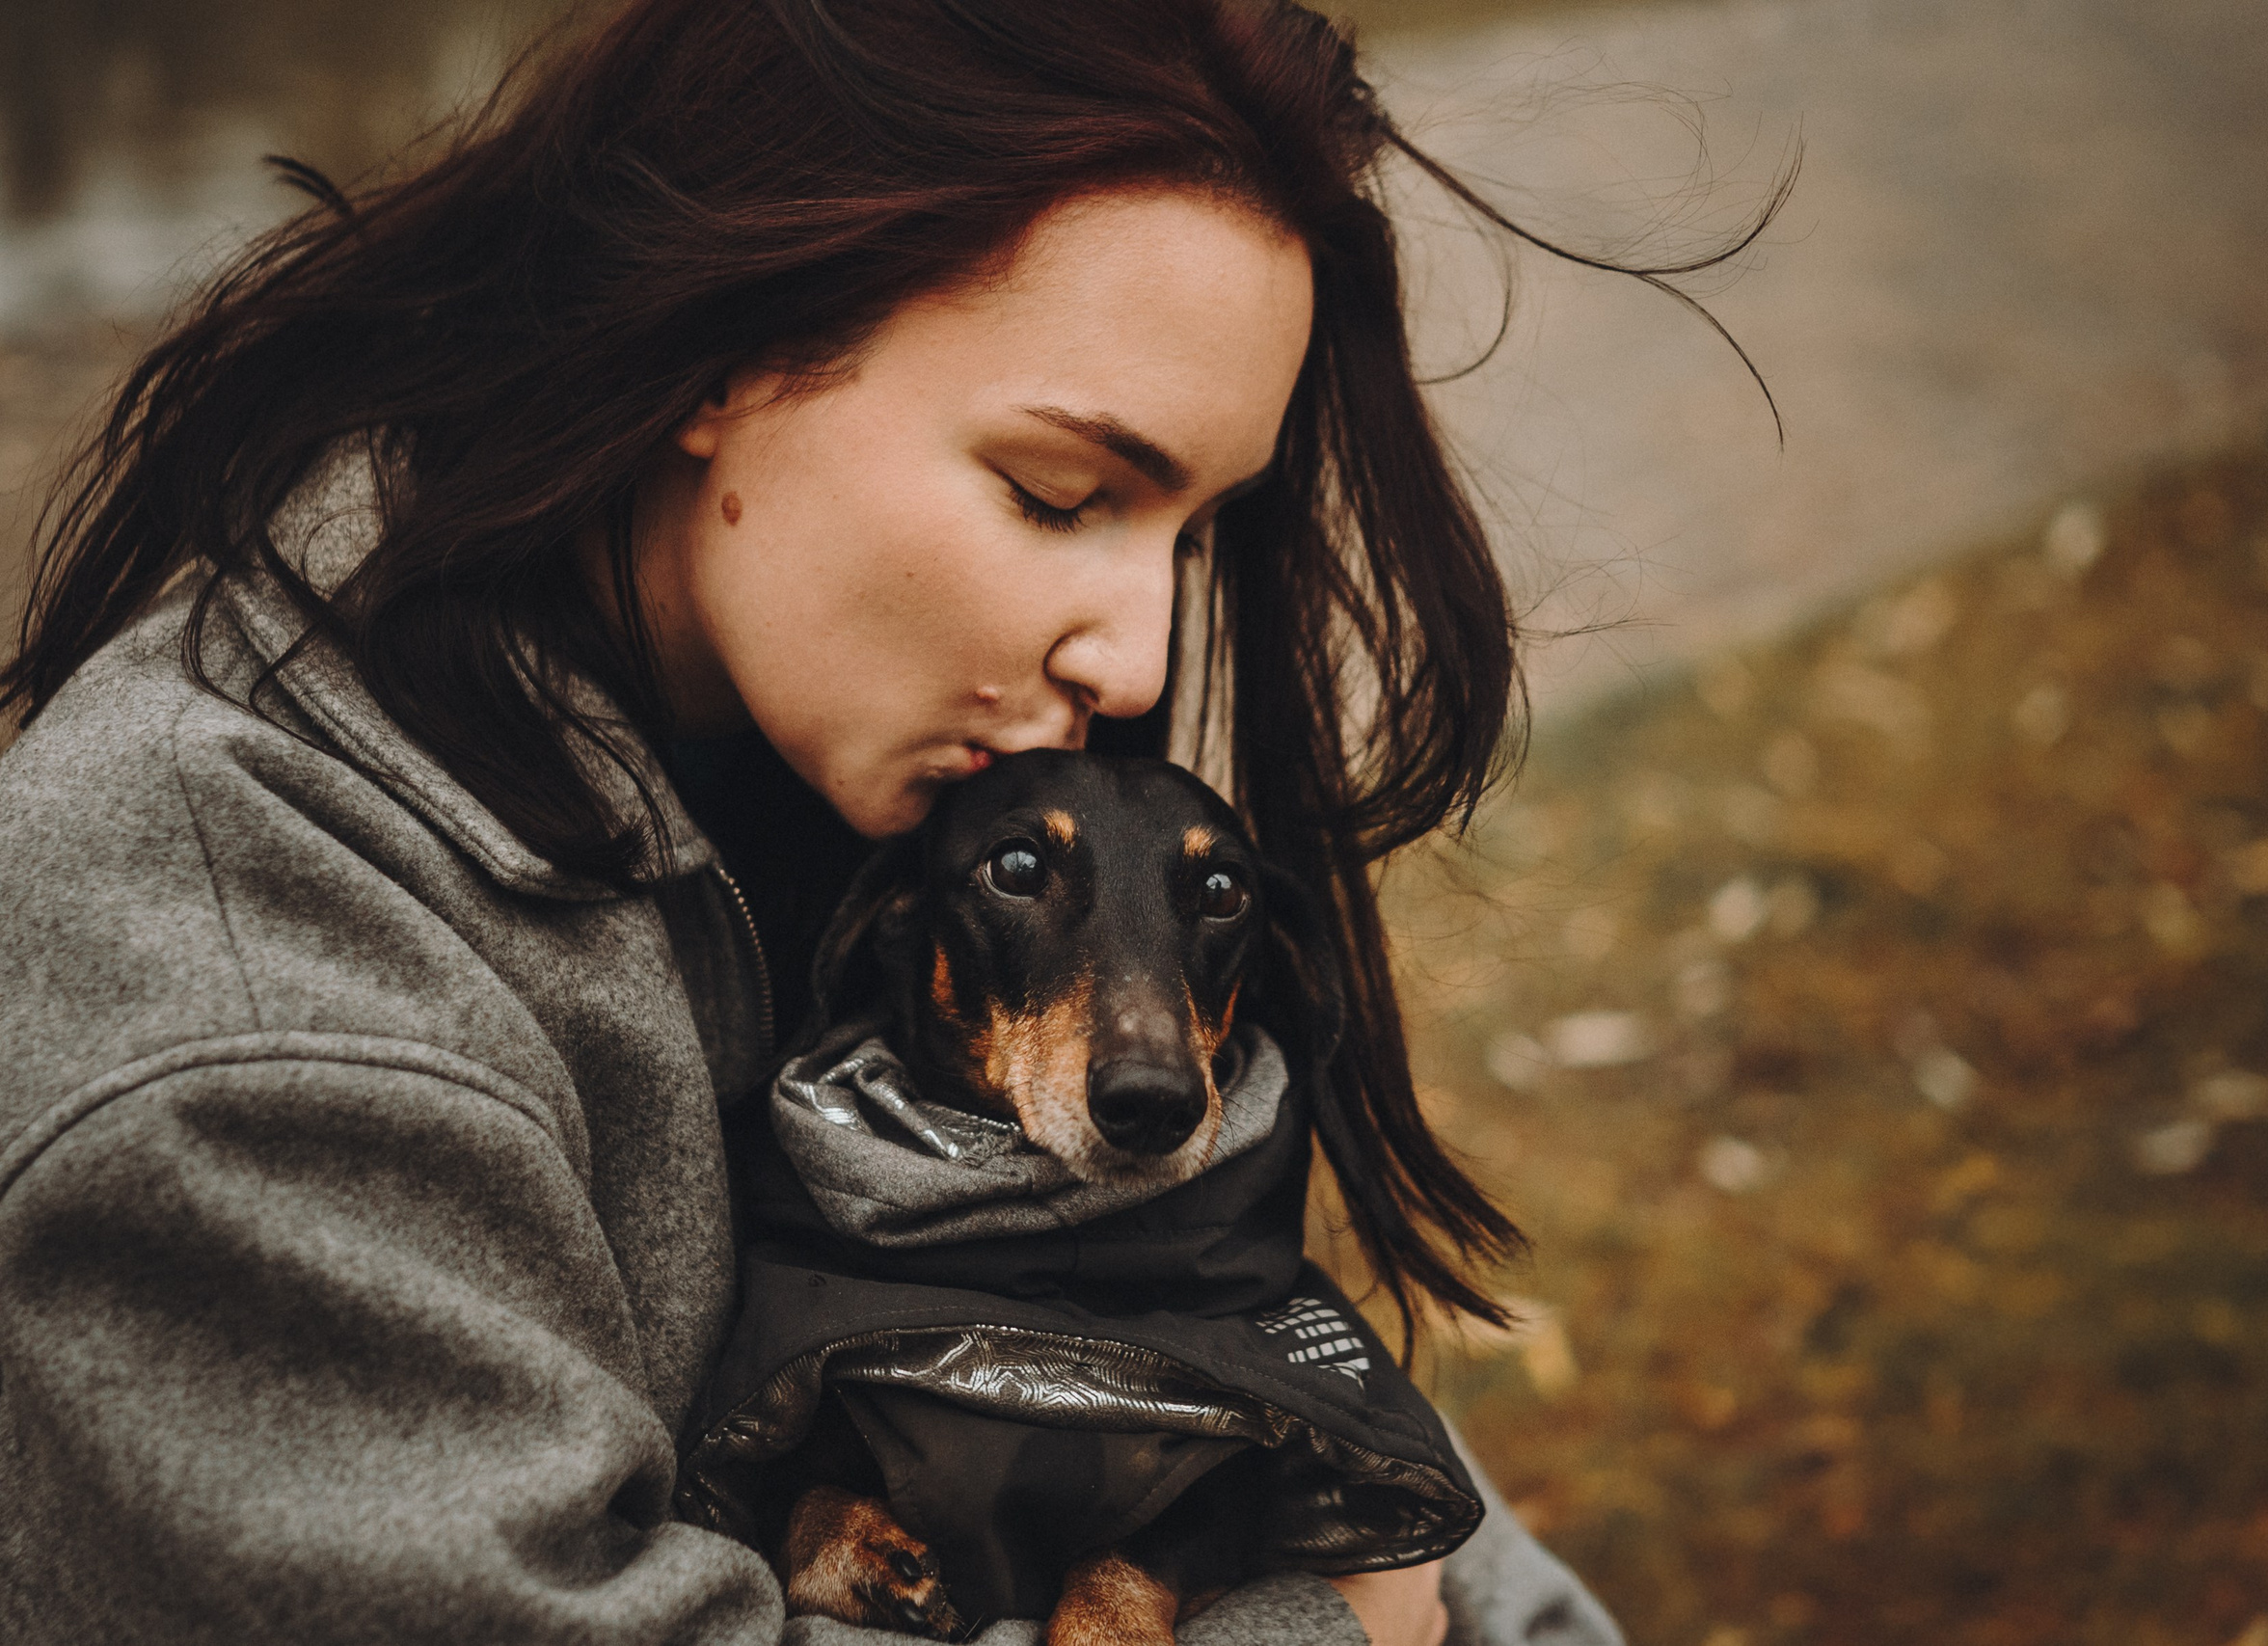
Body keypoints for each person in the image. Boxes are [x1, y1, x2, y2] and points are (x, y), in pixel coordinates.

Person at [0, 2, 1676, 1641]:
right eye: (1059, 495)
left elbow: (1230, 1373)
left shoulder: (828, 761)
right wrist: (1323, 1629)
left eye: (1190, 536)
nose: (1139, 658)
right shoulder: (239, 1024)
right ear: (725, 347)